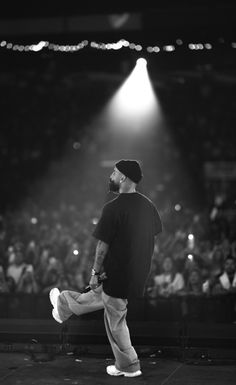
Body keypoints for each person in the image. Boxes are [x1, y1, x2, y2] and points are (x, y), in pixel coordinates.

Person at [49, 159, 162, 377]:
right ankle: (63, 306)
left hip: (118, 274)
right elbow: (151, 237)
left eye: (114, 172)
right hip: (134, 274)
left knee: (116, 321)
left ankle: (129, 366)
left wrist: (94, 272)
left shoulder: (113, 208)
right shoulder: (149, 206)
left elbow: (102, 246)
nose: (111, 176)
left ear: (123, 178)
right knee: (99, 297)